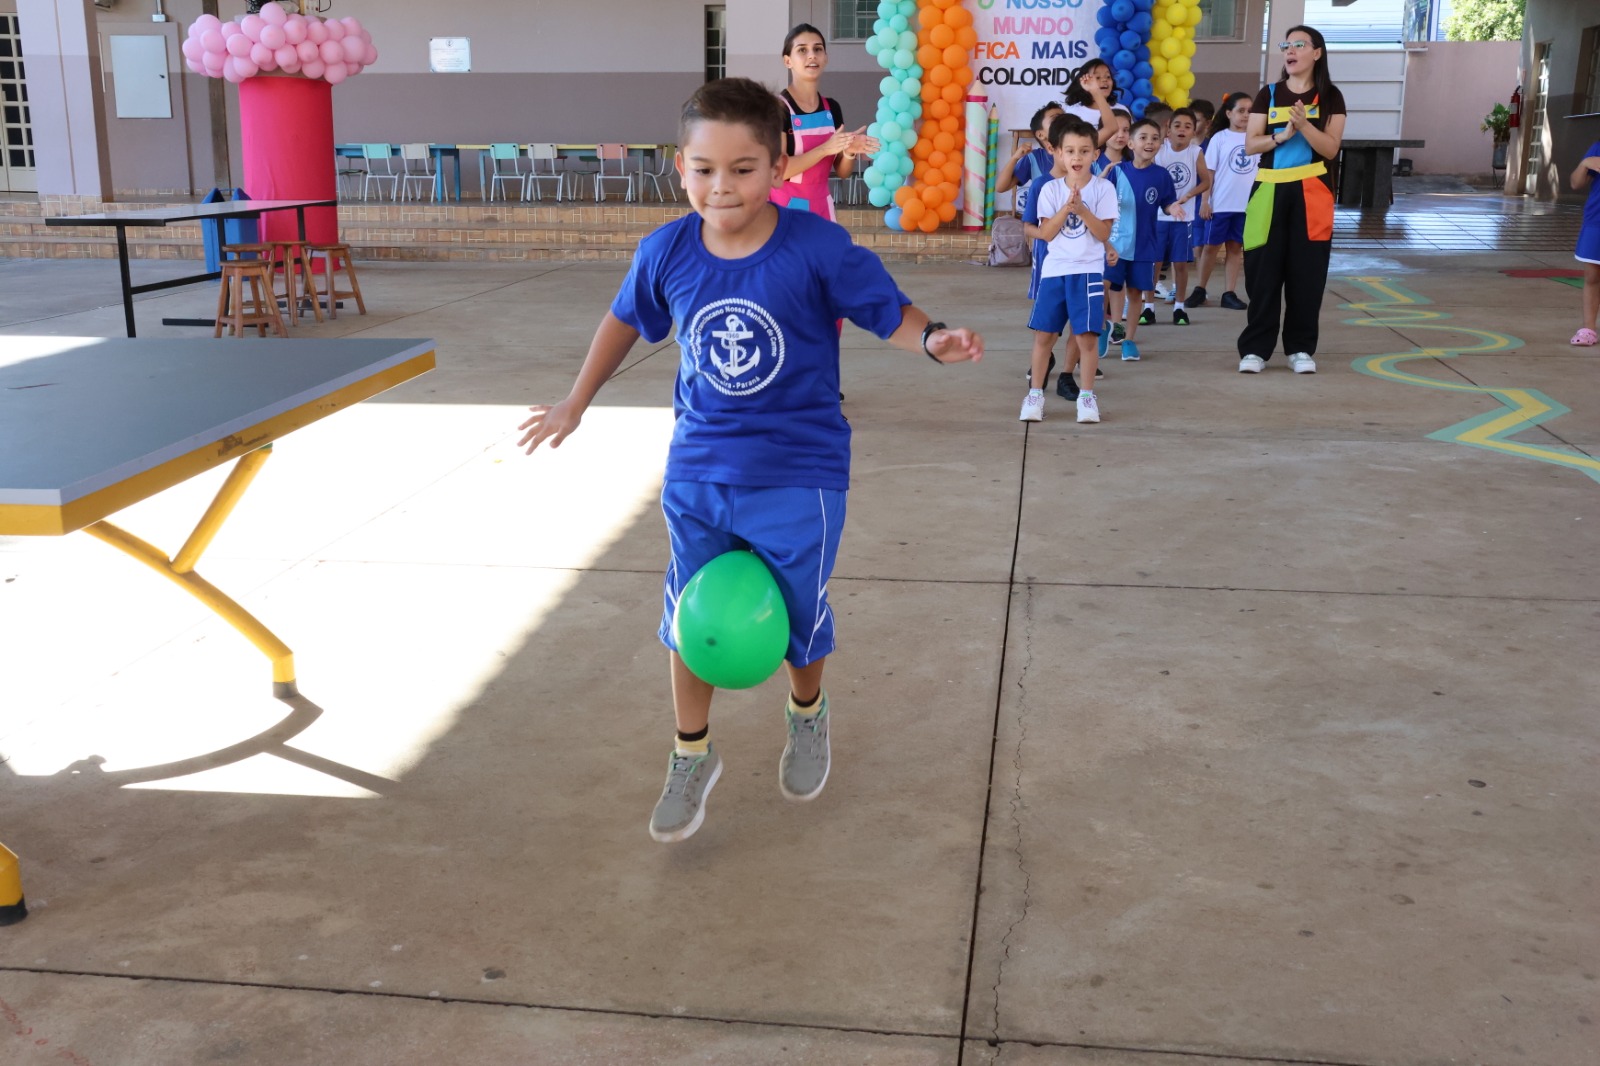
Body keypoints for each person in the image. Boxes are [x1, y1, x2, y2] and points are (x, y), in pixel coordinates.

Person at [517, 78, 981, 844]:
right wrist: (576, 399)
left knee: (799, 614)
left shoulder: (816, 248)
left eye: (742, 169)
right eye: (704, 169)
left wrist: (933, 340)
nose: (721, 186)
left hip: (800, 471)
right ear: (681, 166)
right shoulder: (666, 251)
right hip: (700, 469)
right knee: (689, 614)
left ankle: (808, 712)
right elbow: (624, 319)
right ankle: (690, 753)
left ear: (778, 167)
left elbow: (887, 311)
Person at [1236, 25, 1345, 374]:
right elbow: (1251, 144)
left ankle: (1300, 348)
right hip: (1269, 189)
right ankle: (1255, 350)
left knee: (1307, 274)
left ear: (1317, 52)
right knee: (1262, 273)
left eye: (1299, 44)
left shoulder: (1331, 97)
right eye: (1287, 45)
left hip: (1312, 191)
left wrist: (1305, 125)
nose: (1290, 51)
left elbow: (1331, 148)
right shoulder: (1268, 94)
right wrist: (1281, 136)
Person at [1020, 115, 1117, 424]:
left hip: (1088, 272)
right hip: (1054, 272)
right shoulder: (1050, 189)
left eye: (1085, 151)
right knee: (1044, 336)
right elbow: (1046, 234)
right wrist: (1067, 207)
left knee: (1086, 338)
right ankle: (1035, 395)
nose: (1077, 157)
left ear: (1095, 154)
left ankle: (1086, 397)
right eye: (1071, 151)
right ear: (1059, 153)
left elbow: (1103, 233)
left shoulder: (1104, 189)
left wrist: (1083, 209)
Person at [773, 24, 876, 222]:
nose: (812, 55)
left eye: (818, 49)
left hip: (822, 206)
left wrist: (849, 151)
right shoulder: (777, 108)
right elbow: (780, 170)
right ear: (787, 61)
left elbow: (842, 172)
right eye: (802, 50)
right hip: (785, 209)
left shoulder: (832, 108)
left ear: (825, 58)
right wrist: (825, 148)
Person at [1101, 118, 1181, 363]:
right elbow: (1099, 201)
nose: (1149, 142)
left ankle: (1129, 340)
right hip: (1115, 245)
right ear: (1131, 144)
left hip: (1145, 247)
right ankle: (1101, 329)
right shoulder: (1117, 171)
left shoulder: (1161, 175)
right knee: (1104, 288)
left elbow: (1167, 202)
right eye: (1143, 137)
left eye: (1155, 138)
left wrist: (1173, 208)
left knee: (1135, 293)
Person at [1192, 91, 1256, 309]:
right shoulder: (1219, 138)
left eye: (1250, 111)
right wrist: (1205, 201)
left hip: (1245, 207)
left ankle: (1229, 292)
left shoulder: (1256, 138)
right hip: (1220, 205)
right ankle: (1200, 289)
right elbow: (1209, 173)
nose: (1246, 115)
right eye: (1241, 110)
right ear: (1229, 113)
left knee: (1235, 249)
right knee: (1210, 247)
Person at [1152, 107, 1211, 326]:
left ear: (1193, 131)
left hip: (1182, 218)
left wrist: (1188, 196)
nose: (1182, 130)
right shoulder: (1159, 150)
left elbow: (1206, 181)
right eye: (1177, 125)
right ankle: (1148, 307)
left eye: (1188, 126)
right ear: (1168, 129)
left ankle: (1179, 307)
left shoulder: (1196, 152)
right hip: (1158, 216)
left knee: (1180, 263)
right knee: (1154, 263)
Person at [997, 103, 1065, 221]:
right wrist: (1014, 158)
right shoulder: (1033, 158)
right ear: (1040, 134)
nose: (1064, 122)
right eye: (1056, 119)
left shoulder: (1079, 156)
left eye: (1065, 118)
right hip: (1039, 225)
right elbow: (1001, 187)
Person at [1569, 141, 1600, 346]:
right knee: (1592, 275)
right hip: (1597, 219)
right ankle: (1589, 329)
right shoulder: (1598, 148)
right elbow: (1575, 183)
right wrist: (1585, 164)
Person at [1061, 60, 1118, 147]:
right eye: (1097, 77)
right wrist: (1095, 92)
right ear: (1084, 82)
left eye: (1108, 76)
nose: (1104, 80)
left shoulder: (1122, 109)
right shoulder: (1073, 111)